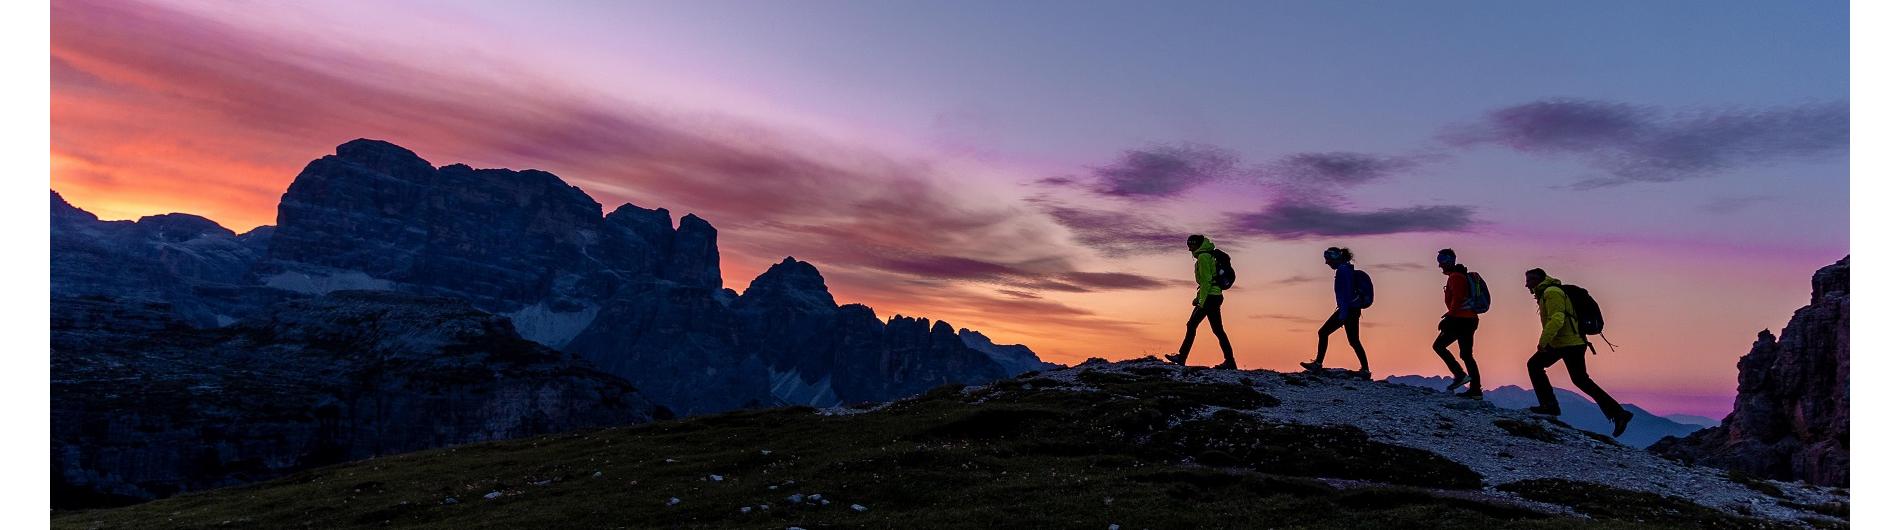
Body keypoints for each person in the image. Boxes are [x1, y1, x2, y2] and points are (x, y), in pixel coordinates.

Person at [1523, 268, 1635, 436]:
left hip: (1568, 343)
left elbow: (1557, 318)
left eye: (1530, 280)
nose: (1526, 284)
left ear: (1539, 279)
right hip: (1567, 342)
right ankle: (1618, 413)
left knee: (1536, 366)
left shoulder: (1551, 292)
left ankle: (1549, 406)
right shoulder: (1547, 292)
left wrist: (1543, 342)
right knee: (1579, 379)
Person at [1165, 235, 1236, 369]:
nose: (1189, 249)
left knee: (1192, 325)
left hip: (1209, 297)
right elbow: (1207, 282)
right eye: (1188, 246)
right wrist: (1198, 298)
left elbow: (1206, 281)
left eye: (1191, 245)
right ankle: (1230, 362)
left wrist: (1201, 301)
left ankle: (1181, 357)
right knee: (1218, 330)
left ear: (1197, 245)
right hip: (1215, 296)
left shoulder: (1203, 257)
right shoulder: (1208, 255)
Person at [1300, 247, 1368, 375]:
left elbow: (1345, 294)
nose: (1327, 263)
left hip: (1347, 310)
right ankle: (1365, 370)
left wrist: (1343, 314)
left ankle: (1318, 364)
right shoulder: (1347, 269)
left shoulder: (1343, 271)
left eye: (1328, 259)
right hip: (1353, 310)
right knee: (1354, 340)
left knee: (1323, 332)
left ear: (1335, 258)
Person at [1434, 249, 1483, 398]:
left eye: (1441, 261)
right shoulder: (1459, 275)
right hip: (1469, 319)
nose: (1440, 265)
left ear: (1448, 261)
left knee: (1439, 346)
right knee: (1467, 355)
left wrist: (1449, 316)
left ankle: (1460, 375)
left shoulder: (1456, 277)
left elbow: (1458, 298)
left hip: (1461, 320)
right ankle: (1476, 390)